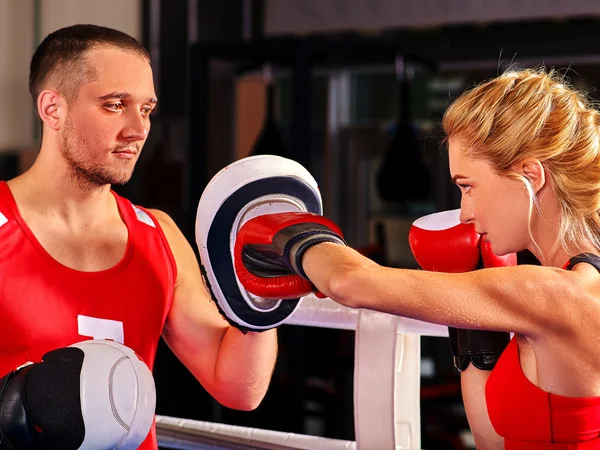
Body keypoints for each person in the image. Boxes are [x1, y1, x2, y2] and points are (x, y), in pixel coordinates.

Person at [236, 68, 600, 449]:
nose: (464, 213)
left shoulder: (553, 295)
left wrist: (295, 237)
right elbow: (495, 440)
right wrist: (473, 328)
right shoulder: (556, 291)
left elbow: (351, 282)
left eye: (467, 186)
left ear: (531, 175)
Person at [0, 24, 277, 449]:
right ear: (52, 108)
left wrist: (262, 298)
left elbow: (239, 389)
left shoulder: (159, 235)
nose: (139, 128)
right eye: (115, 105)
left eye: (146, 109)